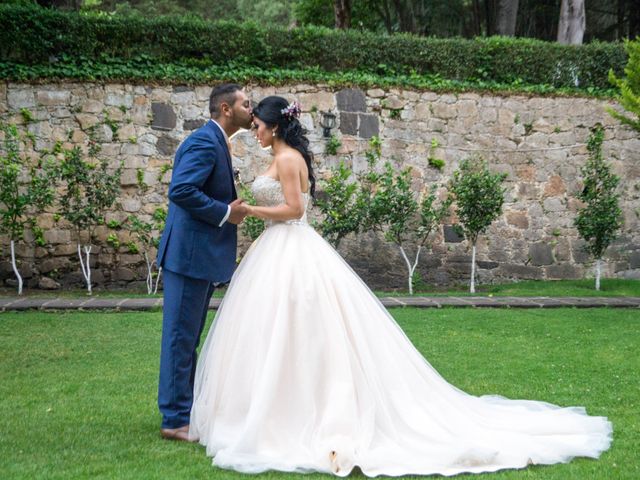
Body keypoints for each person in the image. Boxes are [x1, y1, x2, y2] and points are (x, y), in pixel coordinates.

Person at [189, 96, 612, 476]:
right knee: (274, 331)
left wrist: (249, 211)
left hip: (290, 247)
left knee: (301, 329)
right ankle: (271, 405)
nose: (254, 131)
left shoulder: (286, 160)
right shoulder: (283, 156)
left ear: (274, 125)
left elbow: (295, 210)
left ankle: (294, 412)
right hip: (276, 253)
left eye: (258, 125)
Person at [156, 83, 252, 441]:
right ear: (226, 109)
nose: (250, 108)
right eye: (245, 103)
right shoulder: (203, 141)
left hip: (198, 257)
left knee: (188, 337)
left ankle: (184, 411)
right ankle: (174, 420)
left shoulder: (218, 142)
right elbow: (181, 190)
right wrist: (227, 212)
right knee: (180, 339)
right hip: (188, 257)